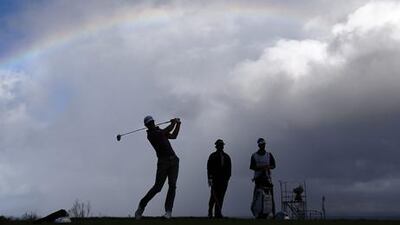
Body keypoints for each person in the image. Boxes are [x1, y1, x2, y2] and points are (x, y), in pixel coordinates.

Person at [135, 116, 181, 219]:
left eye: (152, 122)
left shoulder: (159, 131)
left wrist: (178, 125)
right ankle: (142, 205)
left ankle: (168, 211)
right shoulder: (151, 135)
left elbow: (174, 136)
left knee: (172, 186)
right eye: (149, 123)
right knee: (158, 188)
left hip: (174, 160)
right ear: (146, 126)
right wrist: (173, 122)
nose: (151, 124)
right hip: (163, 162)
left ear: (154, 122)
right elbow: (166, 131)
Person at [250, 138, 276, 218]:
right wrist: (261, 168)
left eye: (263, 144)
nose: (263, 146)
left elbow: (273, 165)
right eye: (261, 144)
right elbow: (252, 167)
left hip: (267, 179)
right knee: (258, 196)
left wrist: (268, 167)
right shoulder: (254, 155)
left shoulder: (269, 155)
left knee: (270, 197)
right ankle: (258, 213)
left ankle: (272, 213)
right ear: (259, 145)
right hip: (258, 179)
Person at [207, 139, 231, 218]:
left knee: (221, 197)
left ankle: (218, 213)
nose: (220, 146)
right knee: (213, 196)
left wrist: (227, 178)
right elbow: (209, 168)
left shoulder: (227, 156)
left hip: (223, 180)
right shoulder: (212, 156)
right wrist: (210, 179)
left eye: (221, 145)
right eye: (219, 145)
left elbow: (229, 169)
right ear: (216, 146)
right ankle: (210, 212)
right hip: (214, 179)